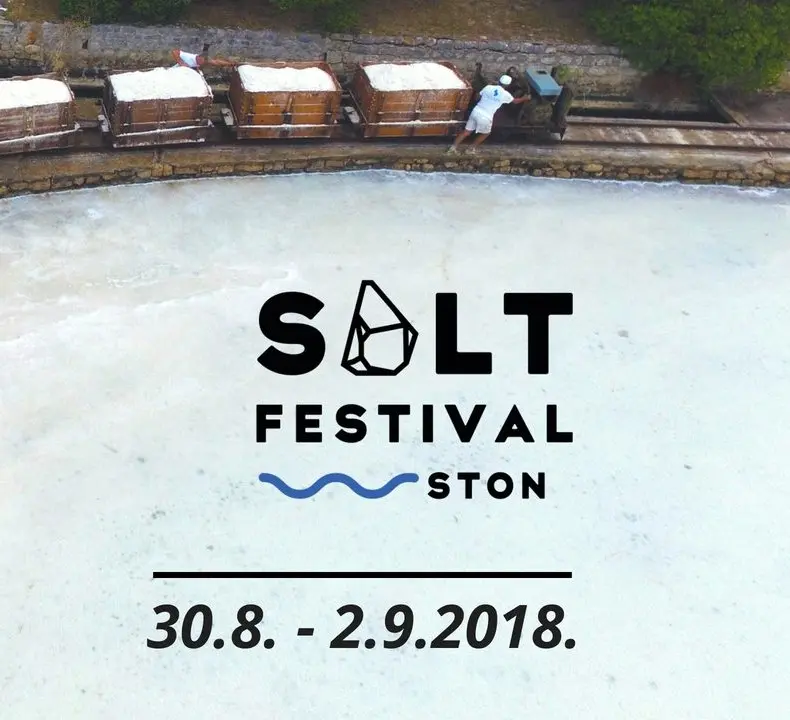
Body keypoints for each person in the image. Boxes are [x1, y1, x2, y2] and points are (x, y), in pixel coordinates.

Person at [448, 75, 531, 153]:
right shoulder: (505, 94)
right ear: (507, 85)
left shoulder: (488, 87)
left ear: (499, 81)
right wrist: (525, 98)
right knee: (486, 133)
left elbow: (478, 96)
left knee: (466, 132)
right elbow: (515, 101)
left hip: (476, 111)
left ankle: (453, 148)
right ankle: (471, 149)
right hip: (486, 116)